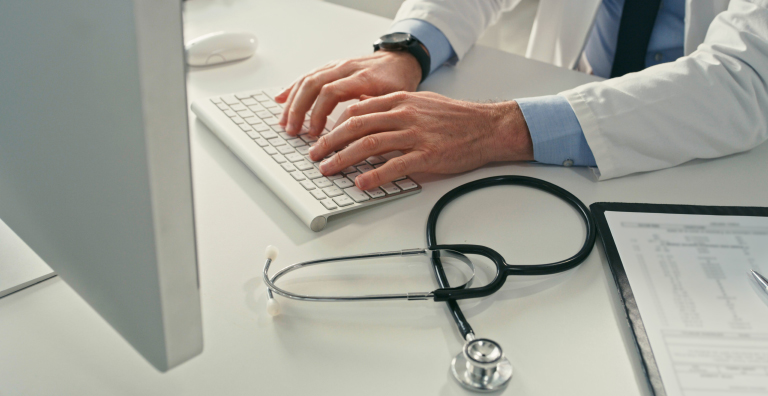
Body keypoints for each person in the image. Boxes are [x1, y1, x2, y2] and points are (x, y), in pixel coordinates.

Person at [275, 0, 768, 192]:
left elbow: (744, 75)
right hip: (564, 124)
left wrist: (498, 128)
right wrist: (410, 48)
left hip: (710, 166)